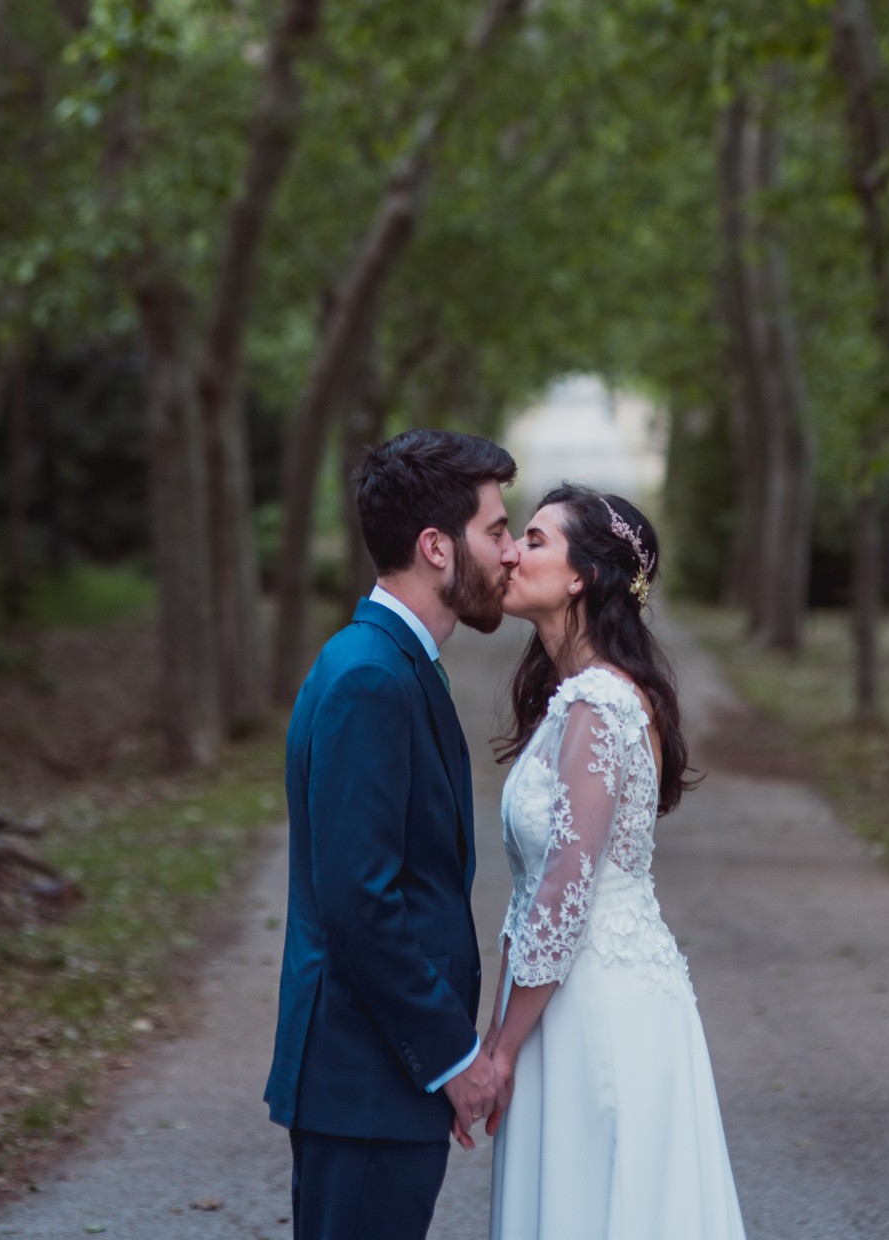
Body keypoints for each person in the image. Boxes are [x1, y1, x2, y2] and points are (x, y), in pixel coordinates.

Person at [264, 428, 520, 1240]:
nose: (510, 552)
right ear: (436, 547)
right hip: (364, 1080)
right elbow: (359, 900)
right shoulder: (371, 677)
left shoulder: (390, 662)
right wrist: (452, 1057)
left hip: (379, 1082)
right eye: (496, 530)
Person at [486, 483, 748, 1240]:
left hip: (595, 1004)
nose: (511, 553)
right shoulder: (572, 698)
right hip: (556, 997)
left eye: (535, 539)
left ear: (582, 577)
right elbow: (530, 896)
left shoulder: (598, 704)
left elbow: (564, 895)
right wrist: (498, 1030)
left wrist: (501, 1049)